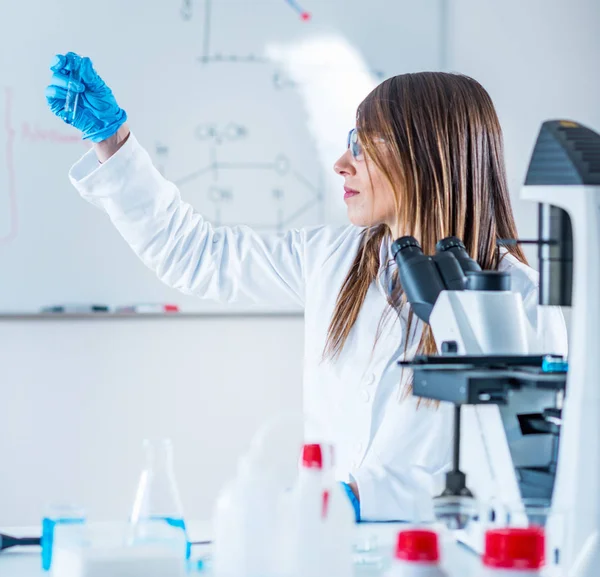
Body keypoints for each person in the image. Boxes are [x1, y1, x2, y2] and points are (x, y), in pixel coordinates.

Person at [46, 53, 567, 522]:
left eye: (364, 147)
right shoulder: (333, 260)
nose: (342, 164)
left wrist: (371, 497)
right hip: (331, 547)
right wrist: (111, 142)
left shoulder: (521, 301)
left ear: (427, 156)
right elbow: (196, 255)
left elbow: (531, 477)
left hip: (449, 562)